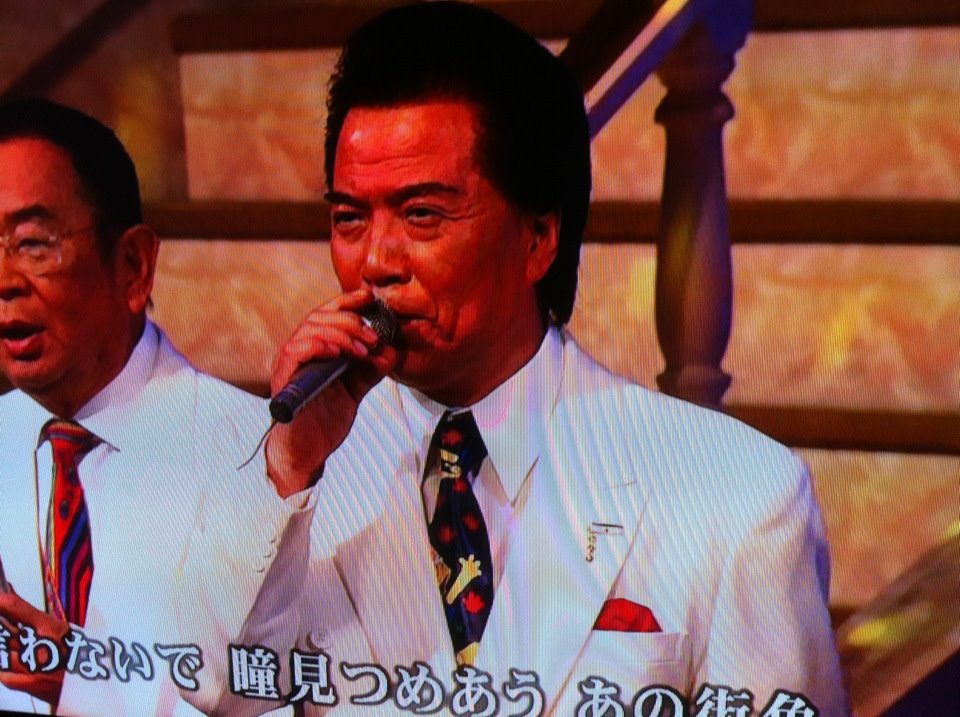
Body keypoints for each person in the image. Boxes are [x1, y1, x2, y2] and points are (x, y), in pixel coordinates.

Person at [200, 3, 848, 715]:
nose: (376, 261)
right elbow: (212, 697)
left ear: (538, 238)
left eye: (421, 215)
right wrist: (290, 469)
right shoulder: (291, 478)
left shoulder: (738, 496)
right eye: (350, 217)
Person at [0, 98, 309, 716]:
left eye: (32, 243)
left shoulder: (265, 465)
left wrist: (86, 689)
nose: (5, 279)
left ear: (133, 266)